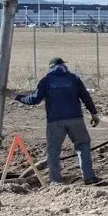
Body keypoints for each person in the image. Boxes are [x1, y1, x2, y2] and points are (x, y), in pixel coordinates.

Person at [16, 57, 101, 185]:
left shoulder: (46, 80)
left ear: (50, 67)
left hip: (55, 122)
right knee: (83, 146)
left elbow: (34, 99)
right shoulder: (74, 78)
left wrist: (15, 96)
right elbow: (85, 96)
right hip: (76, 119)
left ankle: (55, 181)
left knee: (53, 151)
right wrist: (93, 113)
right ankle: (89, 177)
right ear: (63, 66)